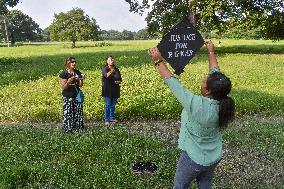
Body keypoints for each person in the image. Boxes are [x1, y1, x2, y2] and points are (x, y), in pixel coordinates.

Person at [148, 41, 235, 189]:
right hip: (214, 157)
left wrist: (157, 60)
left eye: (203, 81)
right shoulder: (223, 103)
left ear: (207, 91)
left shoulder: (196, 105)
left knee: (180, 186)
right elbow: (215, 72)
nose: (202, 82)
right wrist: (211, 52)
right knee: (205, 183)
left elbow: (173, 83)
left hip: (193, 159)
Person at [59, 57, 85, 132]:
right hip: (68, 96)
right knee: (68, 113)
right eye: (72, 62)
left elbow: (80, 85)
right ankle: (68, 128)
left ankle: (78, 128)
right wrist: (69, 82)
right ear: (68, 63)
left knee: (78, 112)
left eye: (75, 62)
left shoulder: (77, 72)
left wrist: (81, 79)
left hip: (77, 95)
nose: (74, 63)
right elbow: (63, 88)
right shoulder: (64, 73)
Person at [102, 55, 122, 125]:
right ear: (107, 61)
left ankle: (112, 118)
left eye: (112, 60)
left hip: (115, 90)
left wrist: (117, 81)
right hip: (107, 90)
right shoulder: (105, 69)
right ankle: (106, 119)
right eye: (110, 60)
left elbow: (120, 79)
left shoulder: (116, 69)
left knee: (113, 105)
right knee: (107, 105)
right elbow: (106, 76)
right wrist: (111, 71)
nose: (111, 61)